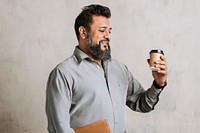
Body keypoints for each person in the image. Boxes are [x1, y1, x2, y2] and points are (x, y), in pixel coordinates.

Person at [45, 4, 168, 133]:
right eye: (102, 30)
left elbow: (143, 104)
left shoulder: (119, 68)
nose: (108, 36)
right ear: (83, 32)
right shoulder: (64, 73)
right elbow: (59, 129)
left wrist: (158, 83)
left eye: (109, 31)